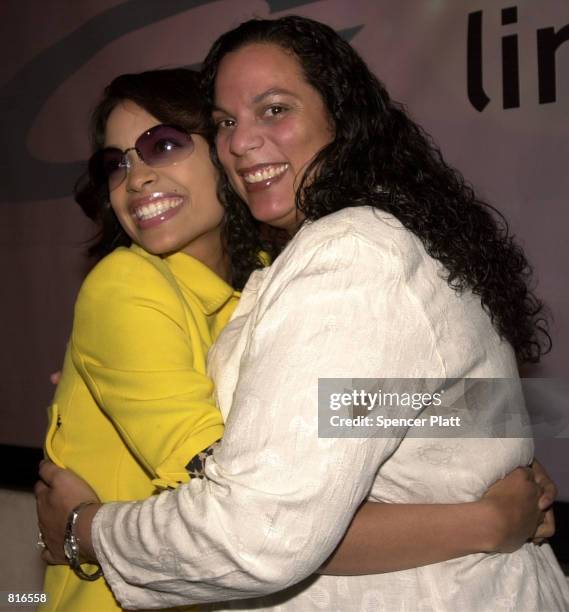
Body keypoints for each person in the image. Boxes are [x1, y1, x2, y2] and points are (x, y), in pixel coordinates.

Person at [36, 16, 569, 611]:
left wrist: (85, 530)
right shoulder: (327, 255)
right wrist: (479, 517)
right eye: (227, 123)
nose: (241, 142)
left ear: (341, 117)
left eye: (274, 110)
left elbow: (259, 521)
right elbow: (265, 506)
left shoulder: (340, 255)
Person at [41, 69, 246, 611]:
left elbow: (353, 409)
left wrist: (494, 426)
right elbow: (234, 505)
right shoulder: (125, 284)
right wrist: (470, 524)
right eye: (117, 164)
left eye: (164, 144)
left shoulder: (271, 284)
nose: (134, 179)